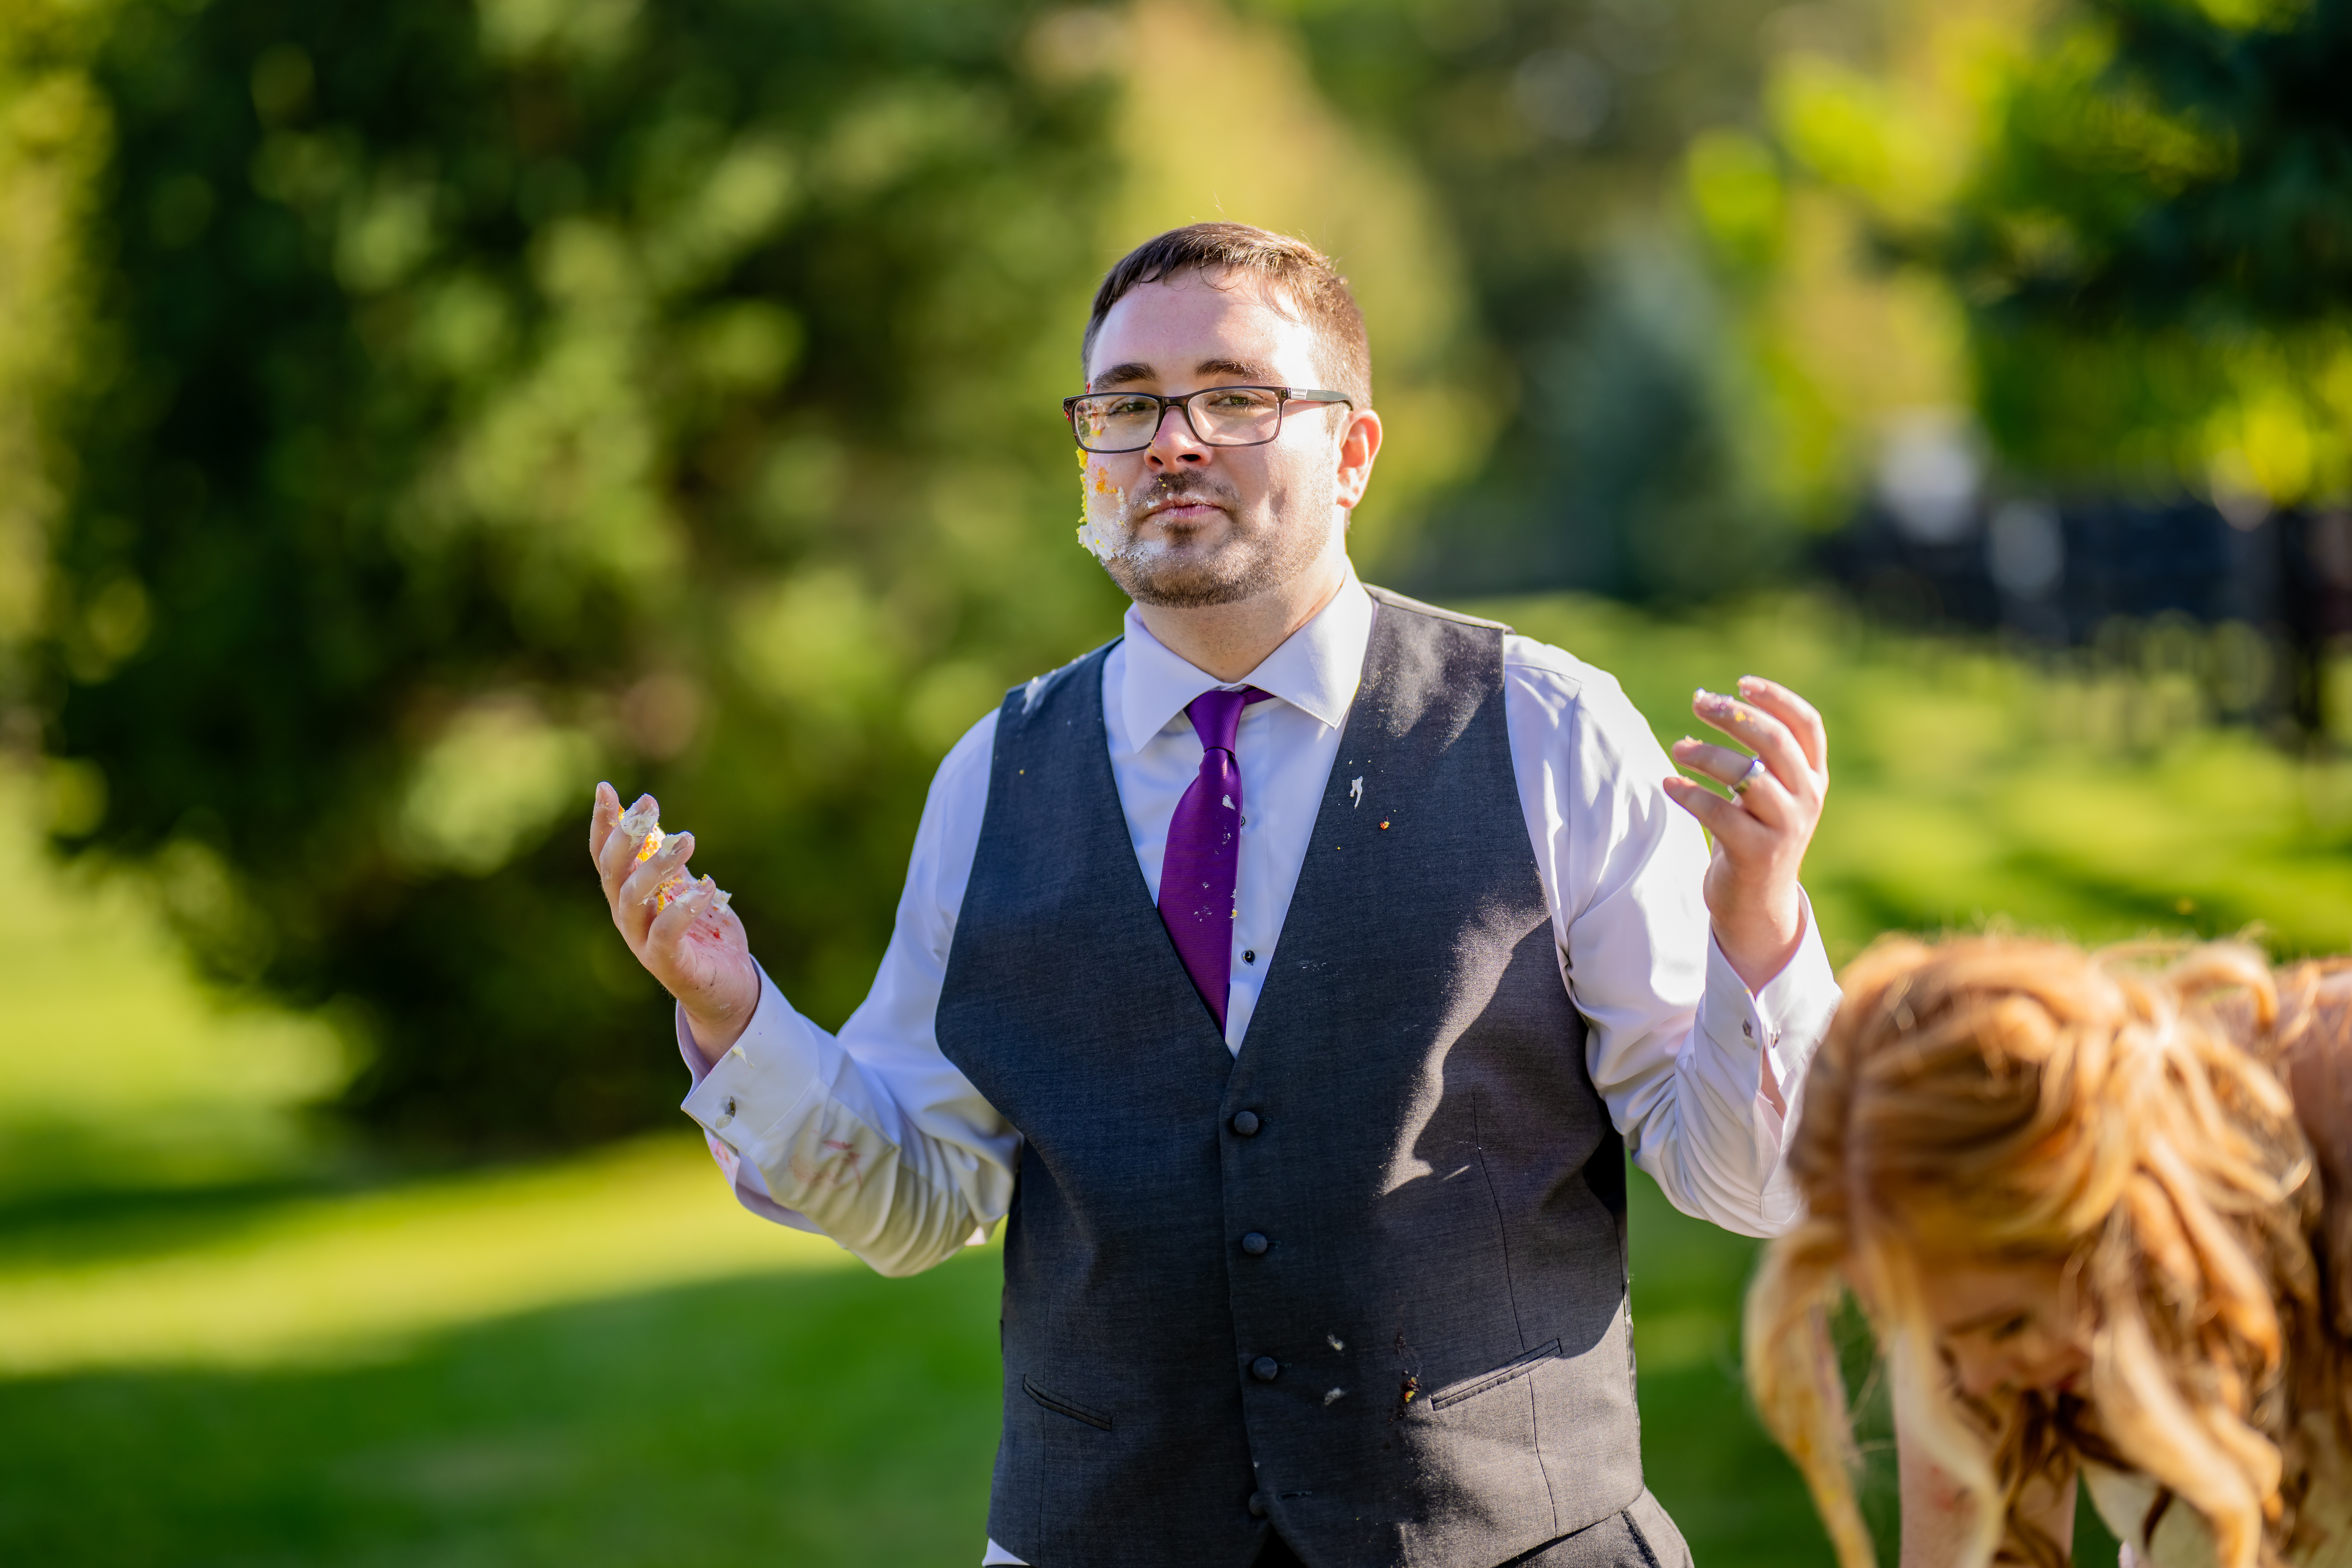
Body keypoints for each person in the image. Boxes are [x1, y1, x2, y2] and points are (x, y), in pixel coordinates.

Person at [588, 222, 1841, 1568]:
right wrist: (736, 1018)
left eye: (1234, 396)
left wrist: (1757, 925)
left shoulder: (1544, 729)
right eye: (1127, 403)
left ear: (1352, 452)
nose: (1172, 441)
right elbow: (917, 1202)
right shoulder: (991, 778)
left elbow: (1743, 1180)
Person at [1745, 934, 2352, 1568]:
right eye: (1938, 1347)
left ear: (2111, 1211)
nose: (1976, 1378)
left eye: (2011, 1324)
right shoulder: (1955, 1309)